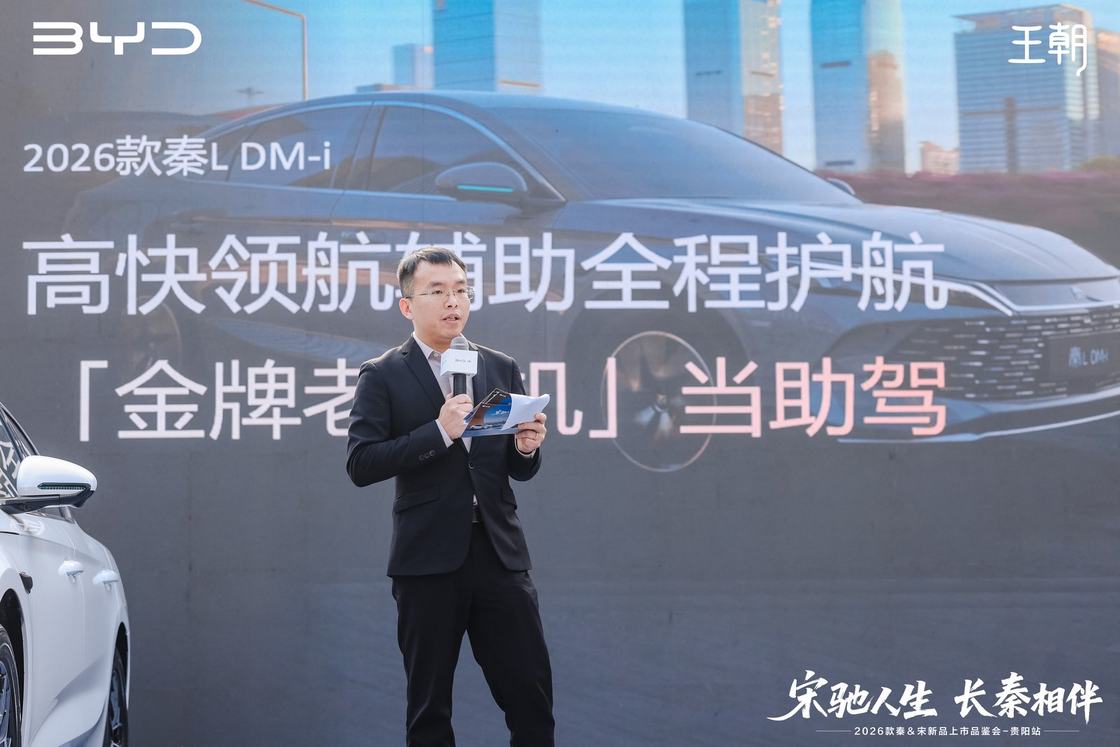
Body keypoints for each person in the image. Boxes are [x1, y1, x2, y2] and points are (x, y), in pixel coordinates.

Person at [346, 247, 555, 746]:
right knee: (429, 711)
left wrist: (526, 449)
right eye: (437, 291)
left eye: (461, 290)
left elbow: (515, 469)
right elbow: (362, 463)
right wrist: (438, 432)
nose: (452, 302)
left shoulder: (499, 365)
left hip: (499, 555)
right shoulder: (383, 373)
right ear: (407, 305)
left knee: (531, 700)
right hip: (427, 561)